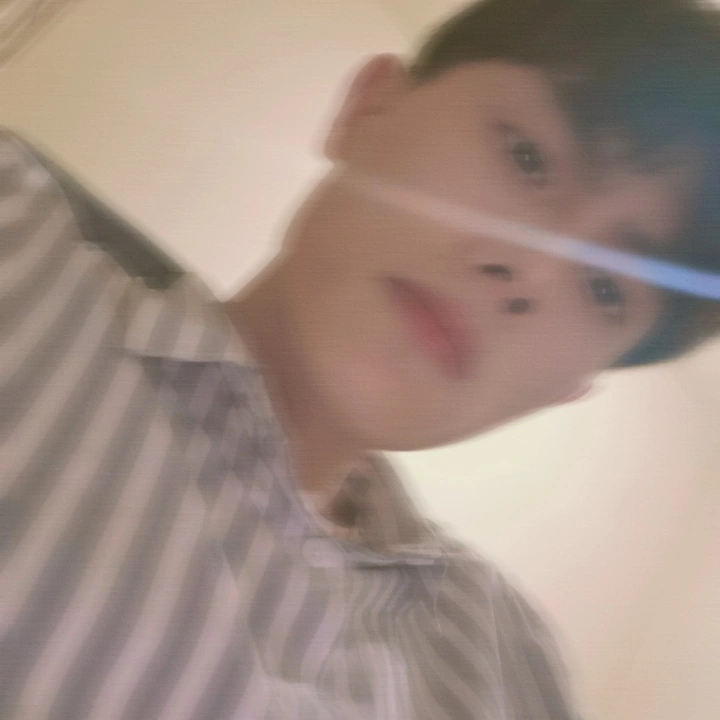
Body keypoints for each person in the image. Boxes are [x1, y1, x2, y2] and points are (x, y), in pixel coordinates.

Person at [1, 0, 719, 717]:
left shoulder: (506, 665)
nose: (530, 273)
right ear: (369, 106)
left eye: (604, 289)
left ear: (569, 388)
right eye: (527, 157)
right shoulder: (19, 251)